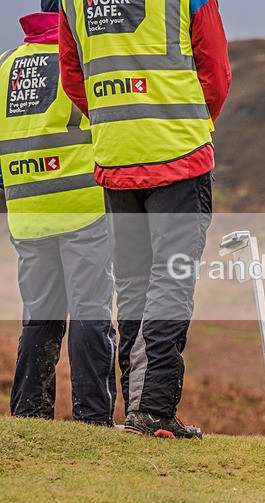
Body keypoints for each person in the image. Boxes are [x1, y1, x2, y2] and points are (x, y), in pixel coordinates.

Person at [59, 0, 231, 438]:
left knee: (134, 282)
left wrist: (115, 122)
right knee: (171, 280)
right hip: (179, 155)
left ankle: (139, 406)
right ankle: (152, 409)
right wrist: (189, 121)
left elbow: (73, 77)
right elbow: (215, 71)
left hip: (116, 156)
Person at [0, 0, 116, 425]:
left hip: (26, 209)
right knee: (91, 311)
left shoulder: (6, 63)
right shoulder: (83, 57)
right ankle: (93, 418)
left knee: (39, 315)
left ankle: (29, 413)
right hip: (83, 204)